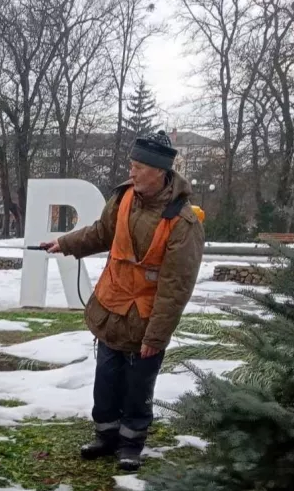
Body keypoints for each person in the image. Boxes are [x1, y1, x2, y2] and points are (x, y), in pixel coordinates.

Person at [42, 130, 205, 472]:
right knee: (106, 379)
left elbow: (176, 288)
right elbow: (102, 232)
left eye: (137, 166)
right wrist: (66, 243)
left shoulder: (184, 221)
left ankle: (131, 443)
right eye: (130, 165)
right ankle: (105, 436)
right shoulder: (124, 198)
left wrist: (156, 336)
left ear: (159, 171)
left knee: (138, 385)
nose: (130, 172)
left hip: (146, 318)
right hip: (111, 308)